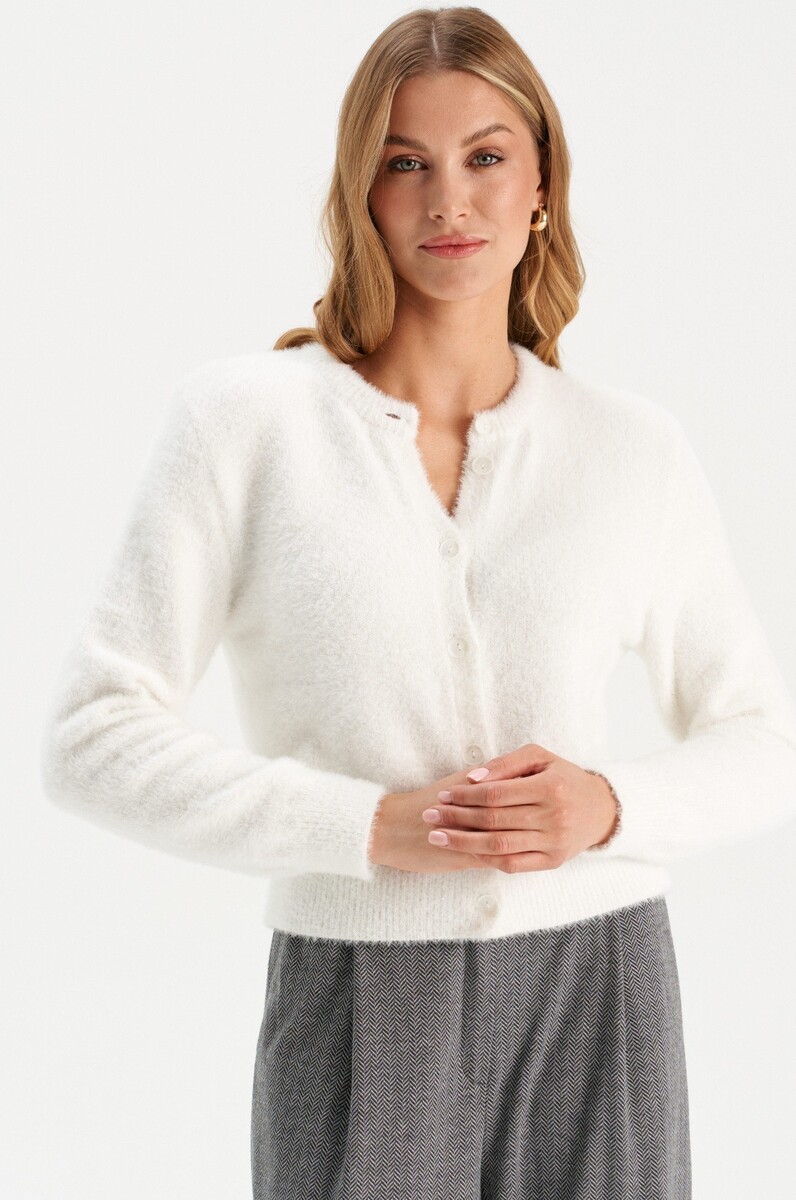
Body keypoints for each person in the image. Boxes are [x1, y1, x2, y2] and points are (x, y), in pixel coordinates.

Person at [40, 7, 796, 1199]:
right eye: (406, 162)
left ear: (541, 184)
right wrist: (363, 827)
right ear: (362, 191)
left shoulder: (630, 449)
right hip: (360, 986)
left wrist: (609, 806)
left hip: (600, 990)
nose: (449, 200)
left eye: (485, 156)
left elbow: (762, 737)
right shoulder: (245, 425)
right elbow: (91, 736)